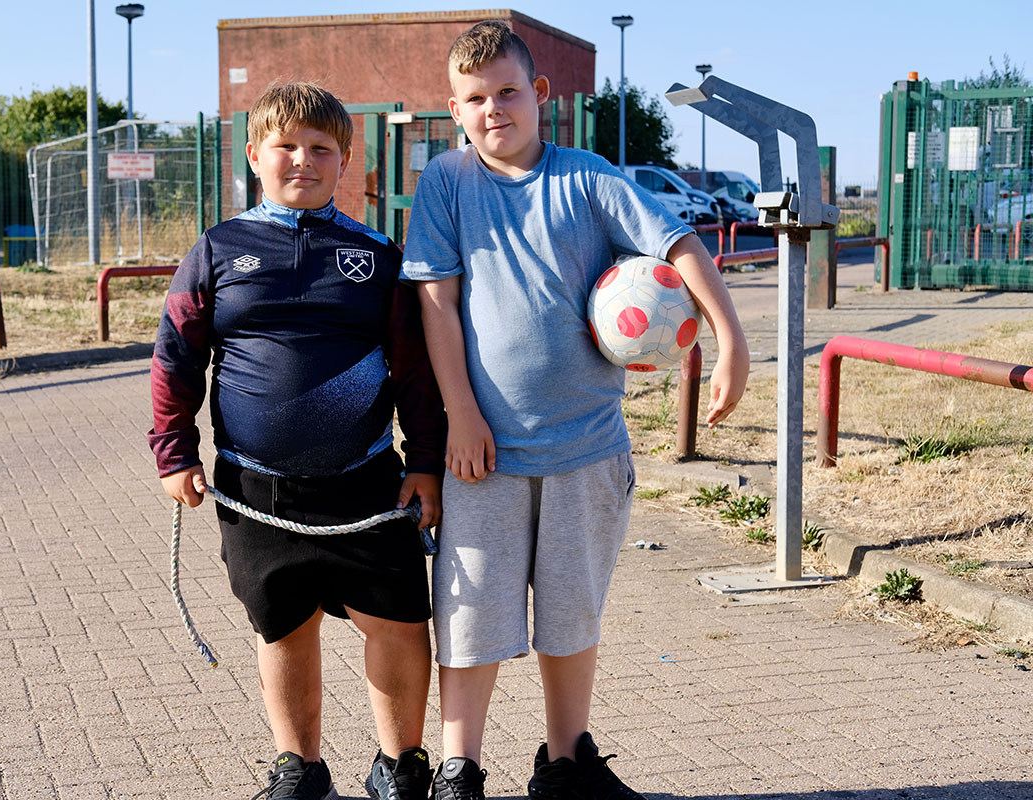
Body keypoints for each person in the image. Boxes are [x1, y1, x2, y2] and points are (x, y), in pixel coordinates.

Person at [401, 21, 749, 800]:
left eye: (509, 92)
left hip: (587, 448)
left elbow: (680, 243)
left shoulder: (588, 179)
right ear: (454, 109)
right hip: (482, 454)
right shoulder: (448, 184)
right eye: (476, 98)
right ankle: (461, 769)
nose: (495, 109)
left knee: (571, 617)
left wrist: (731, 339)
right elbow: (437, 302)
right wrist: (461, 410)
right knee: (469, 618)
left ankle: (565, 763)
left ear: (541, 95)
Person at [148, 82, 447, 800]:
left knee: (400, 621)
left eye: (321, 149)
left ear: (347, 162)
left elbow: (415, 371)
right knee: (283, 625)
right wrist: (174, 452)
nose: (302, 160)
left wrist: (428, 464)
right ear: (254, 155)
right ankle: (300, 768)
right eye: (285, 145)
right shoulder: (218, 250)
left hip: (368, 484)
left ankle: (401, 765)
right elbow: (176, 355)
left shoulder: (377, 256)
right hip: (257, 487)